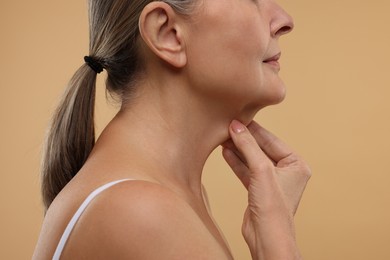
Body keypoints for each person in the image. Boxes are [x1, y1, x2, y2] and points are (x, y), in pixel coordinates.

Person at [33, 0, 311, 259]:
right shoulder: (140, 212)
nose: (284, 21)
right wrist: (280, 244)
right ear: (167, 33)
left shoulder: (165, 196)